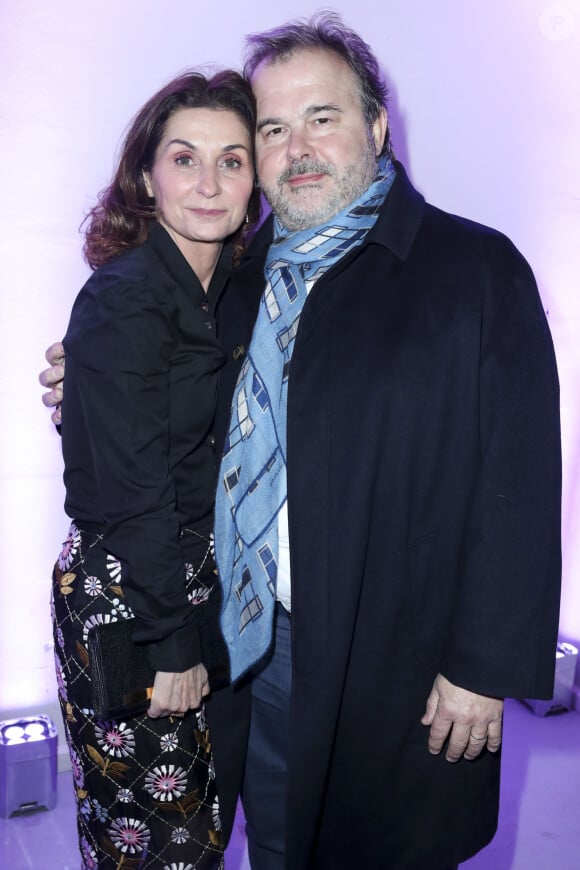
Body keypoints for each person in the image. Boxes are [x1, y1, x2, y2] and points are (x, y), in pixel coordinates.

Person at [41, 12, 562, 870]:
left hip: (407, 656)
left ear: (377, 126)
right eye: (274, 129)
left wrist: (482, 665)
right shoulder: (247, 278)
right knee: (279, 843)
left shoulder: (473, 270)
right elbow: (182, 414)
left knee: (389, 851)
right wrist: (87, 384)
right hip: (260, 647)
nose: (299, 147)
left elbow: (521, 482)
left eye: (322, 117)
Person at [45, 69, 259, 869]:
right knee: (157, 844)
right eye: (184, 158)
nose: (208, 183)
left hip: (187, 578)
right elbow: (133, 488)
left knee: (200, 823)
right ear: (146, 176)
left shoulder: (222, 290)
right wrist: (170, 641)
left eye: (231, 161)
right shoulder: (128, 297)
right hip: (132, 594)